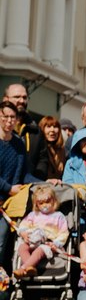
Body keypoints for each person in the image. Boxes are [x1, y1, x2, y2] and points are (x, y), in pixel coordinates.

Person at [0, 101, 38, 270]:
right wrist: (8, 188)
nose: (9, 121)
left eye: (12, 117)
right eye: (5, 116)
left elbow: (25, 175)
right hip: (7, 194)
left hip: (8, 205)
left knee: (2, 244)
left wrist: (46, 182)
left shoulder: (18, 144)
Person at [12, 185, 69, 279]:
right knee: (22, 247)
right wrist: (24, 234)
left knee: (40, 250)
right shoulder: (33, 215)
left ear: (54, 201)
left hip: (48, 243)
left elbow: (63, 233)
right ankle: (30, 268)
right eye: (41, 203)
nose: (44, 205)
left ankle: (22, 269)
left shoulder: (59, 216)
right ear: (36, 205)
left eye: (47, 202)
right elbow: (23, 225)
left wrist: (56, 243)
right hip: (32, 240)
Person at [28, 115, 65, 182]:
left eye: (55, 127)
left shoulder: (62, 151)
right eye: (48, 126)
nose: (52, 130)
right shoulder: (37, 148)